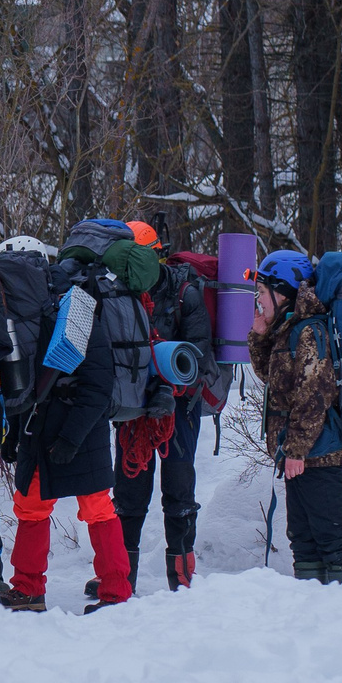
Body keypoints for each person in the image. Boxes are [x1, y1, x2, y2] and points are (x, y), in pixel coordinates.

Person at [1, 227, 134, 613]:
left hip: (78, 426)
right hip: (36, 426)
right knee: (30, 506)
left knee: (96, 508)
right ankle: (27, 588)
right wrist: (12, 433)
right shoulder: (19, 313)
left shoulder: (77, 307)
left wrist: (73, 438)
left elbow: (98, 383)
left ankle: (115, 590)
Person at [109, 219, 215, 591]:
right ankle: (121, 575)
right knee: (128, 491)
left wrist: (169, 390)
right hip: (133, 409)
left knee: (179, 487)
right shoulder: (119, 294)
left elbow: (200, 354)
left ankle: (181, 576)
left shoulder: (186, 293)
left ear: (157, 257)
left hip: (179, 410)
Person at [248, 249, 342, 583]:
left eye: (262, 292)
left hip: (320, 453)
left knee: (333, 538)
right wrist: (259, 335)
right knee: (302, 538)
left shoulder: (310, 331)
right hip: (300, 453)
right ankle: (312, 609)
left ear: (282, 292)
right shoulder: (289, 328)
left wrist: (297, 450)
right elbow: (272, 378)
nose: (259, 300)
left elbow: (315, 395)